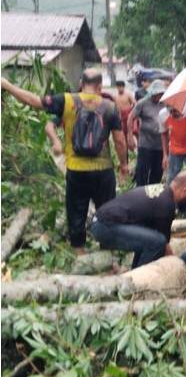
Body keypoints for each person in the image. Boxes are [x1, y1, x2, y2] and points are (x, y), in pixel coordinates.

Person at [1, 70, 128, 253]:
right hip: (103, 171)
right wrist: (124, 165)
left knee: (76, 211)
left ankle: (79, 253)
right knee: (107, 212)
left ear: (81, 82)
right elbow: (120, 140)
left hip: (77, 170)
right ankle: (107, 253)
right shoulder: (109, 106)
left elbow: (34, 101)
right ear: (100, 86)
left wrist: (6, 85)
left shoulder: (66, 100)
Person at [90, 171, 186, 269]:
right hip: (105, 226)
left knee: (149, 239)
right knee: (157, 243)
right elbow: (164, 244)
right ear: (184, 191)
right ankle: (137, 279)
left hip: (101, 221)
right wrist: (178, 263)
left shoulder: (162, 192)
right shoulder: (167, 205)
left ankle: (135, 270)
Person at [130, 79, 167, 185]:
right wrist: (129, 136)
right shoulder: (143, 103)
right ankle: (140, 194)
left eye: (161, 94)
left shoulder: (165, 104)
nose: (159, 96)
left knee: (157, 173)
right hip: (145, 145)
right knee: (142, 173)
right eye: (157, 94)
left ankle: (152, 195)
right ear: (152, 92)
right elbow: (130, 118)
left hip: (160, 146)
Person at [114, 80, 135, 148]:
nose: (120, 88)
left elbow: (134, 103)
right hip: (120, 115)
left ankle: (132, 144)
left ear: (124, 87)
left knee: (131, 130)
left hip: (128, 114)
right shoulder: (115, 96)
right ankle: (125, 145)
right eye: (118, 87)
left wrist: (130, 110)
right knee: (123, 132)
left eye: (121, 87)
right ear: (116, 87)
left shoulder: (128, 94)